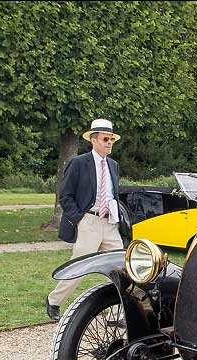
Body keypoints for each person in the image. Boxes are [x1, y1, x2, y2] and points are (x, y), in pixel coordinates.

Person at [46, 119, 124, 321]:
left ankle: (118, 313)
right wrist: (79, 219)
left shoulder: (114, 166)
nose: (109, 143)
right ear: (93, 140)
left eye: (112, 139)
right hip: (89, 221)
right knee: (80, 266)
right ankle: (54, 301)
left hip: (110, 223)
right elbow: (66, 195)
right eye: (106, 139)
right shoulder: (79, 163)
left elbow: (113, 194)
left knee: (122, 268)